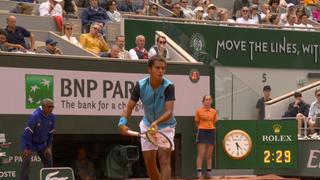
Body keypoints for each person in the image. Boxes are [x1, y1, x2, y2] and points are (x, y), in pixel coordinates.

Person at [118, 56, 176, 180]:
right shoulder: (140, 85)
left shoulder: (169, 86)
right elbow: (129, 107)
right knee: (149, 162)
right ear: (149, 69)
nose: (161, 71)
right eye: (157, 68)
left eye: (163, 68)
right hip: (147, 125)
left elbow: (169, 111)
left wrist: (157, 122)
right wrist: (122, 123)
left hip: (166, 126)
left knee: (164, 159)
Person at [20, 99, 55, 180]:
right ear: (43, 107)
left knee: (49, 159)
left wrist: (48, 147)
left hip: (41, 144)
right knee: (26, 163)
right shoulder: (35, 116)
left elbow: (50, 133)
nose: (51, 109)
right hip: (29, 142)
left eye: (52, 107)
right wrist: (28, 148)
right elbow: (28, 133)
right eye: (49, 107)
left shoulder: (52, 117)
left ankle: (50, 178)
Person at [194, 95, 217, 179]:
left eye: (209, 100)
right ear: (203, 101)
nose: (207, 101)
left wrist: (209, 127)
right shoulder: (198, 111)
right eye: (206, 100)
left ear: (211, 101)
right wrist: (202, 127)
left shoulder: (214, 111)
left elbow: (214, 122)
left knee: (209, 154)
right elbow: (196, 122)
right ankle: (199, 174)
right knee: (201, 154)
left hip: (211, 132)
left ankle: (208, 173)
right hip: (202, 132)